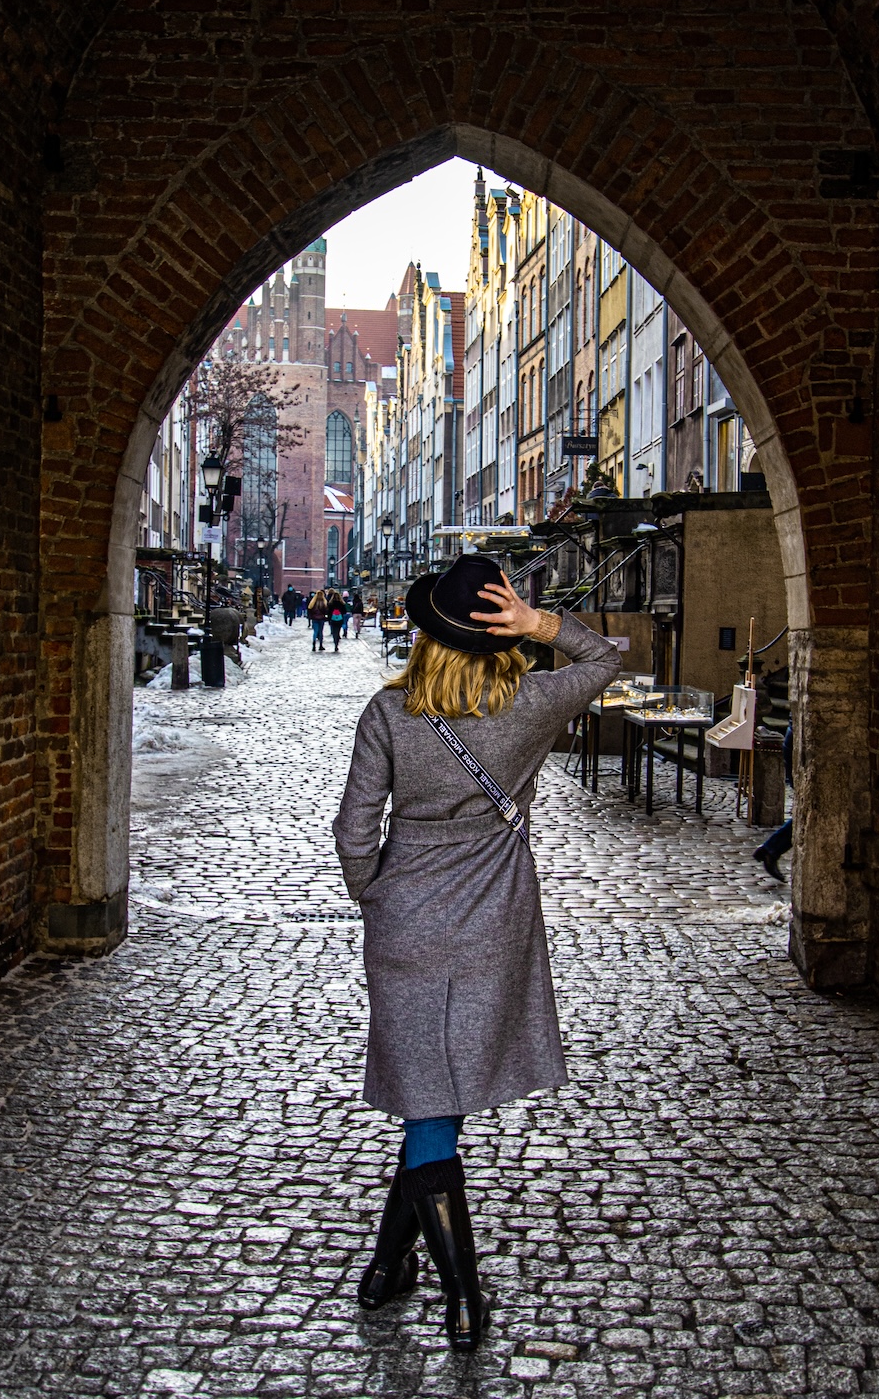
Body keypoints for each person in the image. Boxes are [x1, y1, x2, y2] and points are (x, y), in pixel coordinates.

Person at [333, 554, 621, 1352]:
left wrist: (377, 895)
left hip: (406, 924)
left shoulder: (389, 713)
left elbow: (355, 829)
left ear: (424, 636)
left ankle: (426, 1285)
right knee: (437, 1098)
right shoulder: (533, 702)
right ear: (495, 636)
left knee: (431, 1094)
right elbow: (605, 656)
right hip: (494, 915)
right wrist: (540, 625)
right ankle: (428, 1284)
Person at [753, 720, 793, 881]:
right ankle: (772, 849)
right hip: (796, 740)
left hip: (793, 738)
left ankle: (771, 849)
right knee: (814, 811)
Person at [326, 588, 347, 652]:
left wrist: (328, 618)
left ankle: (335, 641)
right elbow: (344, 612)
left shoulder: (330, 604)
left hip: (332, 619)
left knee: (334, 631)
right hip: (340, 619)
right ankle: (336, 644)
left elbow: (328, 612)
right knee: (338, 631)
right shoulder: (342, 603)